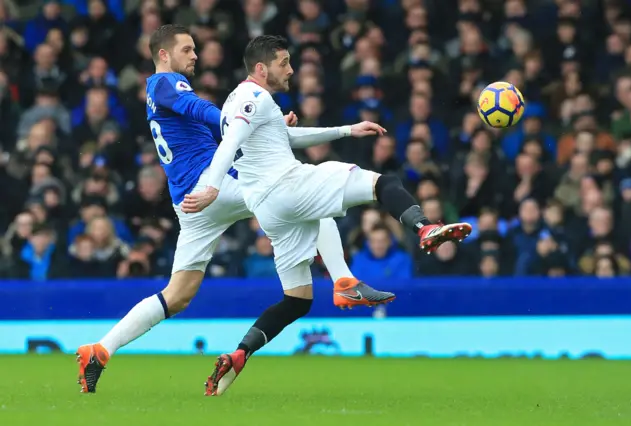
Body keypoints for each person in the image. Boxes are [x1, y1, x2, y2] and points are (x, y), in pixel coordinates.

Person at [74, 25, 395, 394]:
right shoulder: (165, 83)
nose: (195, 55)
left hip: (189, 201)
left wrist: (270, 124)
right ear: (163, 55)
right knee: (305, 192)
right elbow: (204, 111)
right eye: (187, 49)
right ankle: (343, 280)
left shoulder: (157, 96)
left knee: (177, 294)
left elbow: (216, 129)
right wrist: (241, 117)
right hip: (214, 184)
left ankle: (100, 349)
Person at [184, 35, 473, 396]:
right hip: (287, 186)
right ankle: (424, 228)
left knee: (297, 299)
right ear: (261, 68)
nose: (290, 70)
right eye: (284, 63)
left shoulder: (243, 100)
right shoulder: (252, 97)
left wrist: (347, 130)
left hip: (269, 209)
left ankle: (240, 353)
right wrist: (212, 185)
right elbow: (228, 145)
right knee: (383, 183)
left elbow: (284, 137)